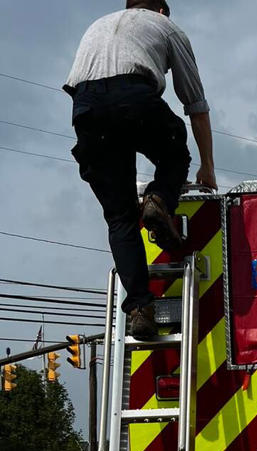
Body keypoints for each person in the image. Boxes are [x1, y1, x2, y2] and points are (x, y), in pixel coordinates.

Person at [64, 0, 216, 339]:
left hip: (86, 108)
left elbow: (86, 88)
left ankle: (139, 308)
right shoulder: (167, 27)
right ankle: (158, 200)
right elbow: (196, 105)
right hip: (133, 95)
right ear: (161, 11)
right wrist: (207, 166)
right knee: (174, 155)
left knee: (119, 216)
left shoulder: (98, 25)